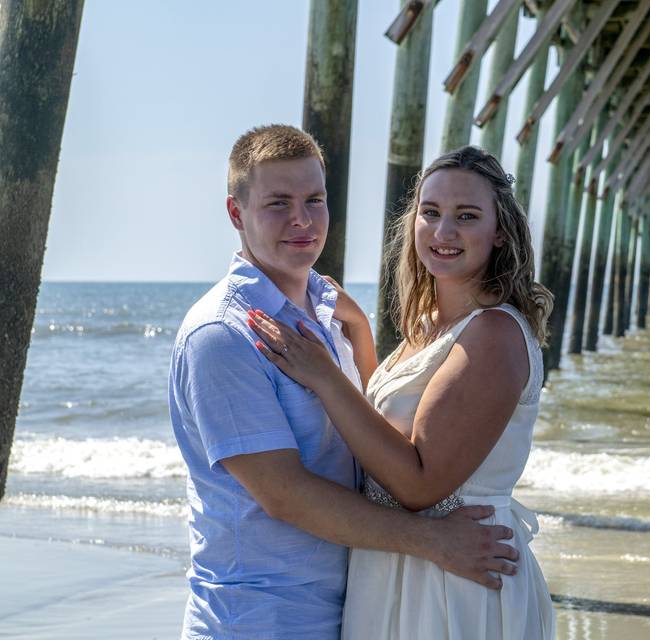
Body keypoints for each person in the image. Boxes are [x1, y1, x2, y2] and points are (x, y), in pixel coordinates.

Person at [168, 126, 519, 640]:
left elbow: (374, 438)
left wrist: (357, 333)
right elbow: (284, 493)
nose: (302, 220)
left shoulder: (325, 314)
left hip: (355, 607)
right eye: (278, 203)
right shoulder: (224, 334)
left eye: (314, 200)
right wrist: (432, 541)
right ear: (236, 214)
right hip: (261, 617)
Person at [248, 145, 557, 639]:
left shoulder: (494, 334)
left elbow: (416, 484)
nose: (443, 232)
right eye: (430, 213)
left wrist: (325, 375)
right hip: (406, 560)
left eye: (466, 216)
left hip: (456, 575)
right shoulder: (431, 327)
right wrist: (362, 338)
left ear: (499, 231)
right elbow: (393, 430)